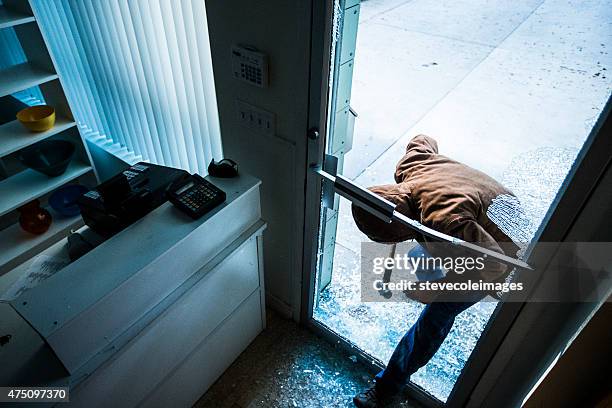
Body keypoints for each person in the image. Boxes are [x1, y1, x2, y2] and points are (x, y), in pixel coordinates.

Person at [351, 134, 522, 407]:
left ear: (409, 224)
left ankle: (386, 389)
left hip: (508, 246)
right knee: (420, 253)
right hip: (487, 208)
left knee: (435, 317)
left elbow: (494, 263)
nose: (400, 242)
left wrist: (437, 291)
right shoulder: (410, 166)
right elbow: (423, 138)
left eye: (400, 236)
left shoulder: (443, 219)